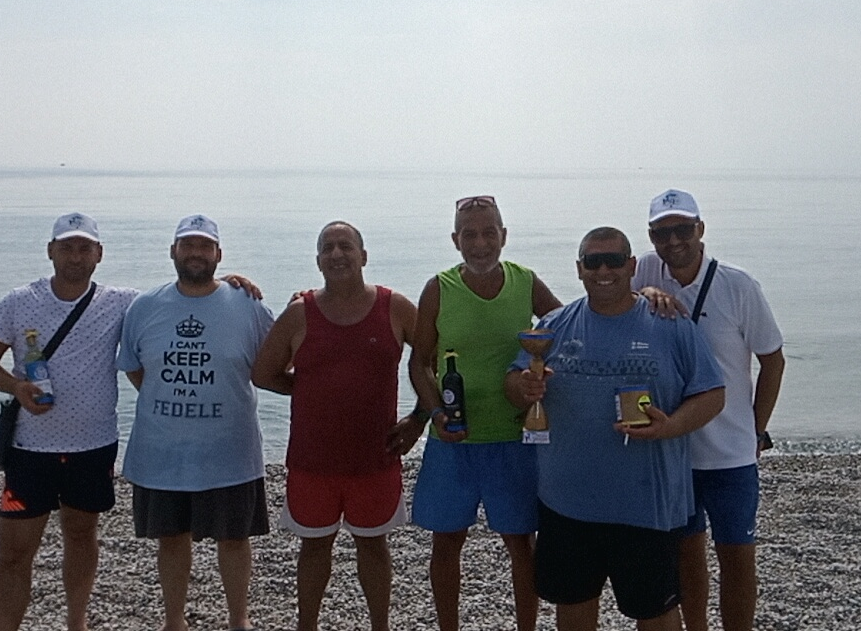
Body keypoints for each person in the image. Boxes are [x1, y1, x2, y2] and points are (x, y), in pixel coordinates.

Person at [505, 226, 726, 631]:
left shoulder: (671, 323)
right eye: (593, 262)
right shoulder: (554, 325)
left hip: (647, 506)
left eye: (613, 261)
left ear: (631, 265)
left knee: (655, 613)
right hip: (567, 505)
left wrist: (670, 426)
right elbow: (514, 381)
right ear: (579, 269)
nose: (603, 270)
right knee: (573, 608)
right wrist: (524, 388)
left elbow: (712, 394)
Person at [0, 212, 140, 631]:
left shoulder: (121, 302)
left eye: (84, 248)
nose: (75, 257)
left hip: (93, 447)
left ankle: (76, 622)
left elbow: (182, 295)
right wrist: (16, 387)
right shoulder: (18, 301)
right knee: (14, 551)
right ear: (50, 251)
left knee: (81, 535)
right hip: (29, 450)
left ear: (99, 254)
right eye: (66, 248)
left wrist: (230, 282)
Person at [251, 221, 419, 631]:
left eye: (346, 246)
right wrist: (310, 388)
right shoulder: (299, 313)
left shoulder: (394, 307)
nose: (337, 254)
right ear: (318, 260)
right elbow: (263, 373)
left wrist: (419, 418)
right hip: (313, 462)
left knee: (373, 546)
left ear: (364, 255)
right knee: (314, 548)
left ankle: (380, 626)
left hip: (376, 458)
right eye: (327, 247)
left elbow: (435, 359)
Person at [404, 195, 561, 631]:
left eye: (488, 233)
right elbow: (419, 362)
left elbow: (568, 327)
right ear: (455, 240)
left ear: (503, 236)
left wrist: (635, 297)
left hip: (513, 438)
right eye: (469, 234)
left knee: (520, 544)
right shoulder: (438, 289)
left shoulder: (525, 282)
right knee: (446, 543)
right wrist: (434, 412)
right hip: (453, 439)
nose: (479, 243)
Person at [631, 189, 785, 631]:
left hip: (730, 453)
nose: (673, 240)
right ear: (651, 237)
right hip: (673, 450)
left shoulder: (738, 286)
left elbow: (772, 359)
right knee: (685, 551)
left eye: (683, 229)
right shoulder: (646, 269)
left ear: (700, 229)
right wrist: (644, 290)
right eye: (662, 232)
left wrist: (757, 430)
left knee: (736, 554)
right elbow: (611, 297)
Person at [117, 214, 274, 631]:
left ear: (219, 254)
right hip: (162, 452)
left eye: (205, 246)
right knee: (171, 539)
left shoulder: (247, 305)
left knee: (234, 539)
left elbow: (278, 356)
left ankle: (239, 619)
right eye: (188, 244)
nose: (196, 253)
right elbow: (134, 367)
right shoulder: (145, 307)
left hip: (231, 452)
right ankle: (174, 620)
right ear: (173, 251)